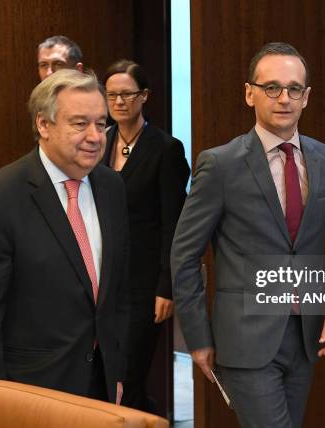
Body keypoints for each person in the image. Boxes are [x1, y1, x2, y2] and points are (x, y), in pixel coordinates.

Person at [171, 42, 325, 427]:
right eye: (271, 87)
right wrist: (197, 338)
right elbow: (184, 256)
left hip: (307, 335)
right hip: (244, 339)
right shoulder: (220, 164)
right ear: (250, 93)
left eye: (294, 89)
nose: (284, 98)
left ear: (306, 97)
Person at [0, 69, 129, 405]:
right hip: (30, 389)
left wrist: (117, 372)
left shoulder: (111, 187)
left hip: (102, 385)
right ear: (43, 125)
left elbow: (117, 293)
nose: (95, 136)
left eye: (101, 123)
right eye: (80, 124)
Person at [102, 59, 190, 412]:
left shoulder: (165, 149)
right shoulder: (99, 142)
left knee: (129, 375)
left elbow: (173, 224)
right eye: (111, 95)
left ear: (145, 96)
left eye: (127, 94)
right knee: (106, 373)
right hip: (104, 279)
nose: (119, 102)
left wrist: (166, 287)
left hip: (143, 284)